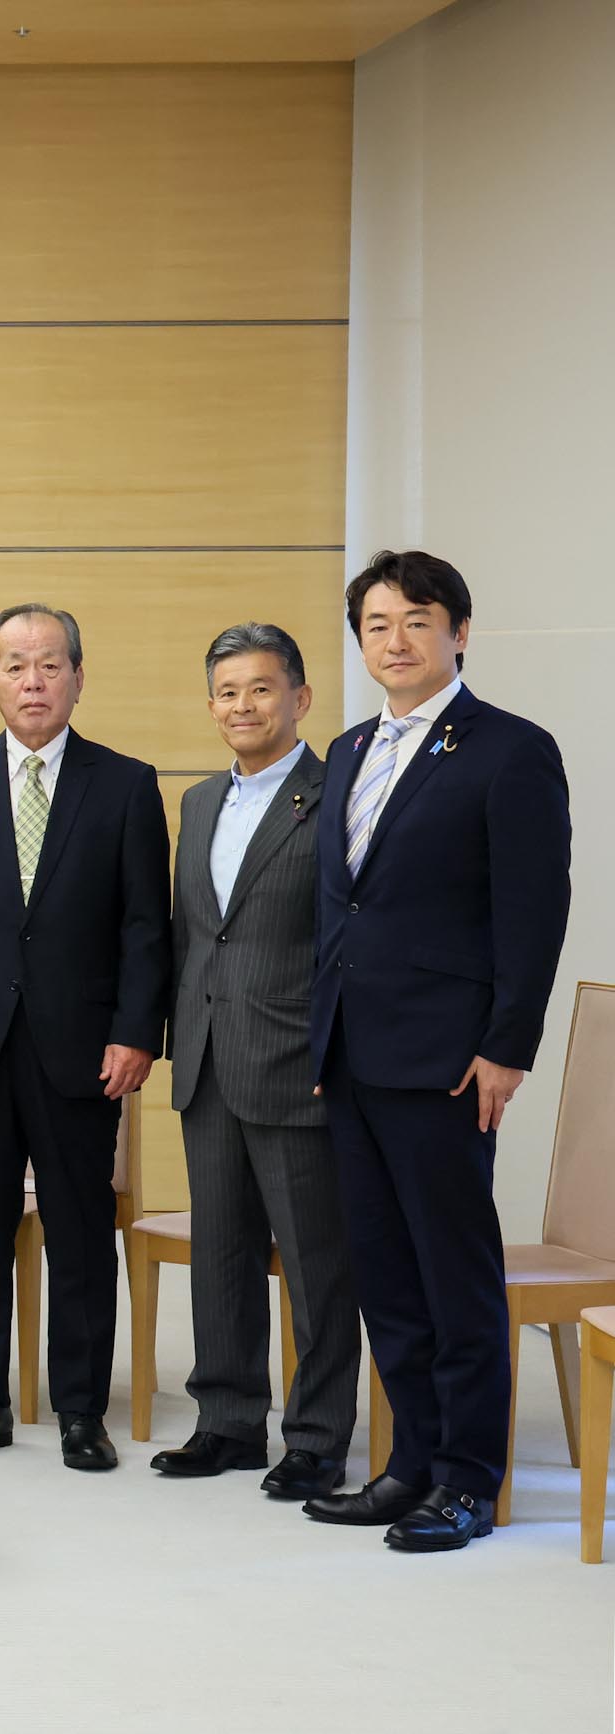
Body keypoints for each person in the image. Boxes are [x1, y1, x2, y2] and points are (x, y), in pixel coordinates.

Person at [302, 551, 570, 1552]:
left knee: (453, 1276)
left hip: (447, 1060)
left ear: (458, 632)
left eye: (417, 620)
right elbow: (341, 907)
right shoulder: (348, 748)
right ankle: (409, 1463)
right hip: (350, 1053)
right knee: (385, 1275)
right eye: (376, 624)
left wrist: (506, 1046)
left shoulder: (509, 749)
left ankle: (466, 1481)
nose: (396, 640)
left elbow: (532, 912)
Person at [0, 603, 171, 1473]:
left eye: (50, 665)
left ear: (78, 679)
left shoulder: (125, 784)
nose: (33, 682)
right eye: (15, 666)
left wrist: (137, 1032)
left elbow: (145, 925)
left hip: (84, 1049)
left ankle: (82, 1409)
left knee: (81, 1230)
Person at [153, 623, 359, 1500]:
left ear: (300, 698)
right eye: (228, 692)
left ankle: (316, 1437)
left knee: (316, 1265)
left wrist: (335, 1052)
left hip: (296, 1061)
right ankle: (228, 1421)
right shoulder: (200, 801)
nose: (244, 705)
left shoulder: (339, 793)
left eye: (262, 688)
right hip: (207, 1061)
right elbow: (194, 935)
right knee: (222, 1253)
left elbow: (352, 941)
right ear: (212, 706)